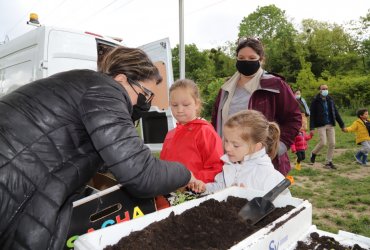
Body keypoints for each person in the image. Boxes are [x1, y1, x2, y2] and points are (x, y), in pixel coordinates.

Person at [0, 46, 193, 250]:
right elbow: (141, 173)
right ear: (121, 80)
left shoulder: (83, 86)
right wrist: (186, 174)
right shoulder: (105, 90)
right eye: (145, 93)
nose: (145, 103)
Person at [211, 37, 301, 176]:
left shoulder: (276, 85)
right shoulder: (225, 88)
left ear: (261, 59)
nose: (246, 61)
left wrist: (277, 148)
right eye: (241, 57)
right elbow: (216, 120)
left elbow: (294, 118)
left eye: (251, 57)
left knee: (263, 198)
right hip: (230, 161)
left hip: (264, 162)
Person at [189, 110, 290, 196]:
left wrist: (246, 196)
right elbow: (220, 187)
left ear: (256, 147)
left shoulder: (269, 177)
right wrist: (204, 188)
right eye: (226, 141)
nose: (227, 148)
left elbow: (280, 208)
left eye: (235, 145)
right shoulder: (231, 165)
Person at [160, 79, 223, 183]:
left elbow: (216, 169)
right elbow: (163, 167)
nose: (179, 110)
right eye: (174, 105)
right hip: (169, 193)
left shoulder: (205, 132)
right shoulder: (170, 134)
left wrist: (189, 181)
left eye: (186, 105)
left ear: (197, 104)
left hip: (195, 195)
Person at [309, 84, 345, 169]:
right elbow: (312, 115)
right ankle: (313, 153)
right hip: (321, 125)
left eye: (326, 88)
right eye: (323, 89)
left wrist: (342, 125)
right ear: (320, 90)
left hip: (330, 124)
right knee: (323, 143)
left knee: (332, 143)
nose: (325, 90)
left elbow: (335, 112)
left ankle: (328, 162)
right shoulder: (315, 101)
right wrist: (312, 128)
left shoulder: (330, 100)